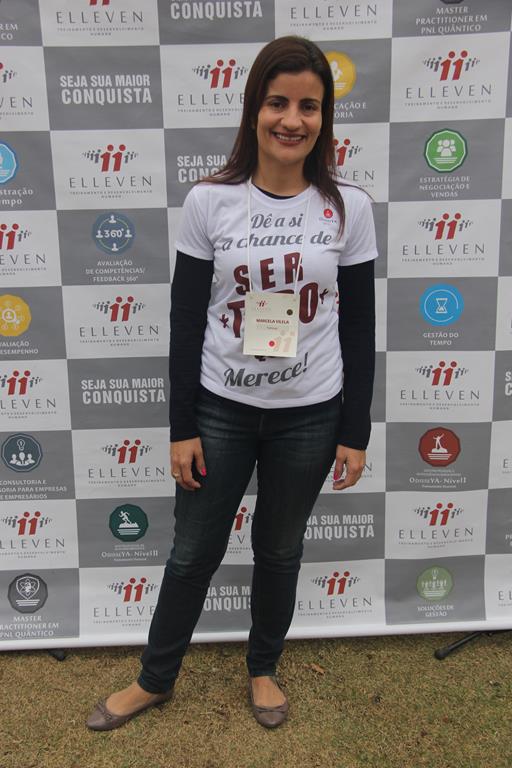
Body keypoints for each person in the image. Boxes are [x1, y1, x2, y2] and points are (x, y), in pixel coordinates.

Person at [87, 35, 377, 732]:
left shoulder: (349, 206)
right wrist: (181, 426)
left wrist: (355, 430)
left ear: (324, 118)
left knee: (279, 550)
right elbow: (187, 320)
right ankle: (154, 679)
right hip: (220, 409)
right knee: (192, 553)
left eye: (309, 106)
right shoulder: (210, 200)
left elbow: (360, 327)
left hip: (310, 413)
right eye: (278, 102)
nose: (292, 120)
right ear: (254, 110)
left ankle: (263, 668)